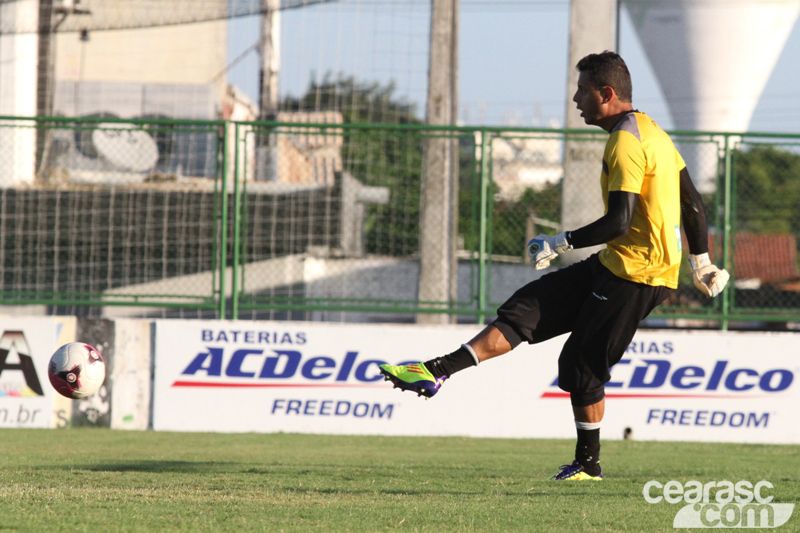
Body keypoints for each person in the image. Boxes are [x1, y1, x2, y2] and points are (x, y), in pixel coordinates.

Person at [379, 51, 730, 481]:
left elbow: (619, 222)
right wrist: (701, 261)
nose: (576, 98)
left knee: (581, 367)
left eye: (583, 90)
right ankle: (434, 371)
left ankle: (588, 466)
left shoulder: (627, 141)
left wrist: (560, 241)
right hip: (615, 263)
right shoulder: (649, 129)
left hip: (638, 276)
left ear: (607, 93)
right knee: (526, 307)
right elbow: (691, 201)